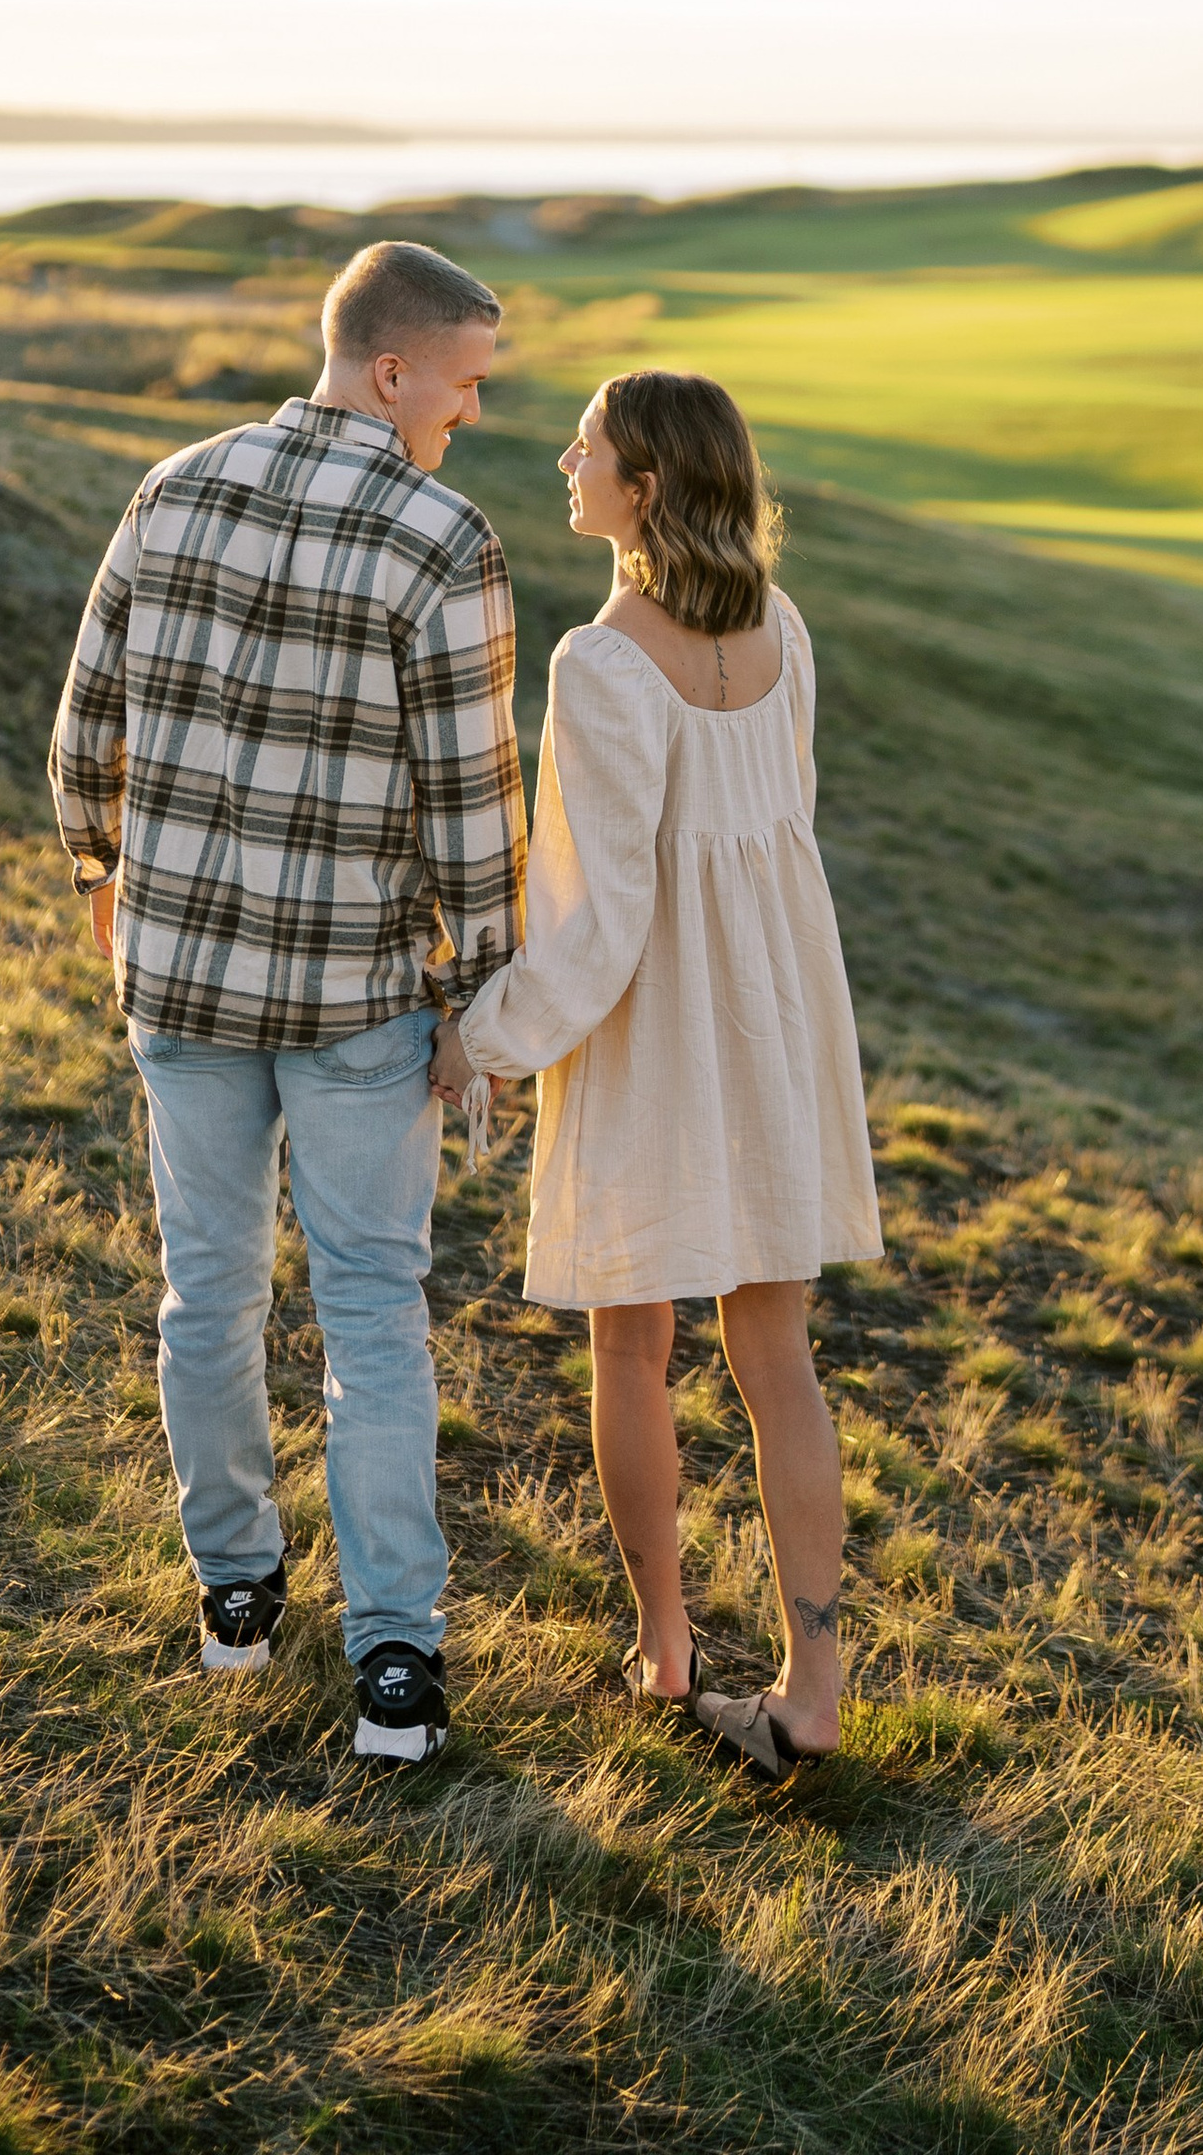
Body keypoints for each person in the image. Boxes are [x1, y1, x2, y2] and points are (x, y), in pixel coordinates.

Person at [49, 237, 523, 1772]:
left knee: (211, 1290)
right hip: (352, 1005)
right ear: (391, 370)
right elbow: (472, 807)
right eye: (462, 384)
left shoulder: (169, 486)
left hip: (177, 976)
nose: (468, 415)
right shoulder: (444, 538)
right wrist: (481, 1000)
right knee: (375, 1311)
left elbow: (82, 733)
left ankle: (236, 1596)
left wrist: (101, 871)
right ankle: (395, 1657)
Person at [436, 370, 881, 1778]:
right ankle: (812, 1690)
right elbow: (779, 823)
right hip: (777, 1010)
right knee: (778, 1361)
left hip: (653, 1026)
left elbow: (602, 914)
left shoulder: (600, 663)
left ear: (646, 488)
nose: (566, 456)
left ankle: (667, 1643)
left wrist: (483, 1037)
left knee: (632, 1346)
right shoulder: (782, 626)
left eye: (594, 446)